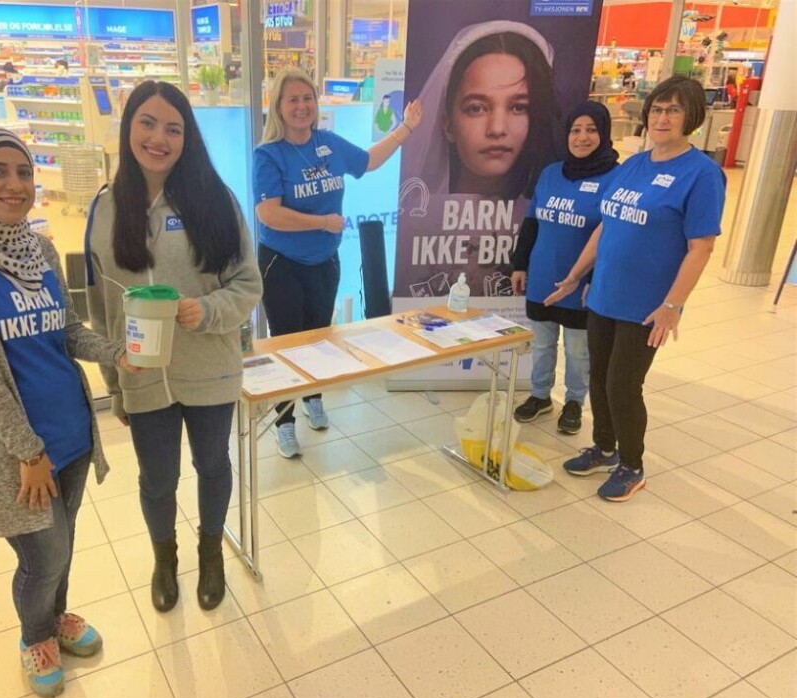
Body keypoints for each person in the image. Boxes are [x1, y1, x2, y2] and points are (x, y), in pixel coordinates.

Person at [0, 127, 134, 698]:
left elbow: (65, 333)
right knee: (43, 552)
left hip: (72, 430)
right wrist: (27, 450)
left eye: (24, 172)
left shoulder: (35, 249)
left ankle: (57, 619)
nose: (16, 185)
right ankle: (35, 636)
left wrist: (116, 354)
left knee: (64, 541)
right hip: (14, 448)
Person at [85, 81, 261, 613]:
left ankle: (212, 553)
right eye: (147, 123)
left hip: (209, 369)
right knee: (157, 479)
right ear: (128, 127)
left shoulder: (215, 199)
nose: (159, 138)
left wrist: (204, 310)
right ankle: (165, 559)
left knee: (213, 464)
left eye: (173, 128)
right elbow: (103, 307)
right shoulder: (106, 209)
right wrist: (115, 384)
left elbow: (248, 284)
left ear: (187, 137)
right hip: (142, 377)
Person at [545, 76, 726, 502]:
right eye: (658, 109)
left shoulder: (701, 174)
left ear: (692, 118)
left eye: (674, 110)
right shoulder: (634, 165)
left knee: (623, 385)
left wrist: (673, 305)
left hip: (646, 306)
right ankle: (604, 448)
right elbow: (607, 224)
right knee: (598, 379)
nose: (663, 118)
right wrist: (576, 276)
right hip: (604, 294)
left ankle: (632, 464)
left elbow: (701, 247)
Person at [254, 67, 422, 459]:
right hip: (282, 263)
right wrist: (323, 223)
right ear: (278, 106)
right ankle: (284, 419)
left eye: (307, 98)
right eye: (292, 99)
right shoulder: (269, 155)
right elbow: (269, 214)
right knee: (287, 345)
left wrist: (407, 128)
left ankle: (313, 396)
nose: (301, 106)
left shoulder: (327, 143)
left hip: (324, 262)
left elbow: (369, 160)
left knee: (317, 338)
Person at [511, 101, 620, 435]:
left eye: (591, 130)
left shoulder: (616, 178)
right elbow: (531, 223)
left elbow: (615, 237)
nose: (582, 137)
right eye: (575, 130)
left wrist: (595, 279)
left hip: (582, 285)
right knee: (542, 344)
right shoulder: (550, 173)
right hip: (543, 275)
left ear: (603, 134)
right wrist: (519, 264)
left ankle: (574, 401)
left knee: (577, 349)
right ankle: (540, 395)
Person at [402, 20, 560, 199]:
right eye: (476, 108)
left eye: (518, 107)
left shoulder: (547, 212)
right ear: (448, 126)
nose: (497, 129)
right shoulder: (417, 214)